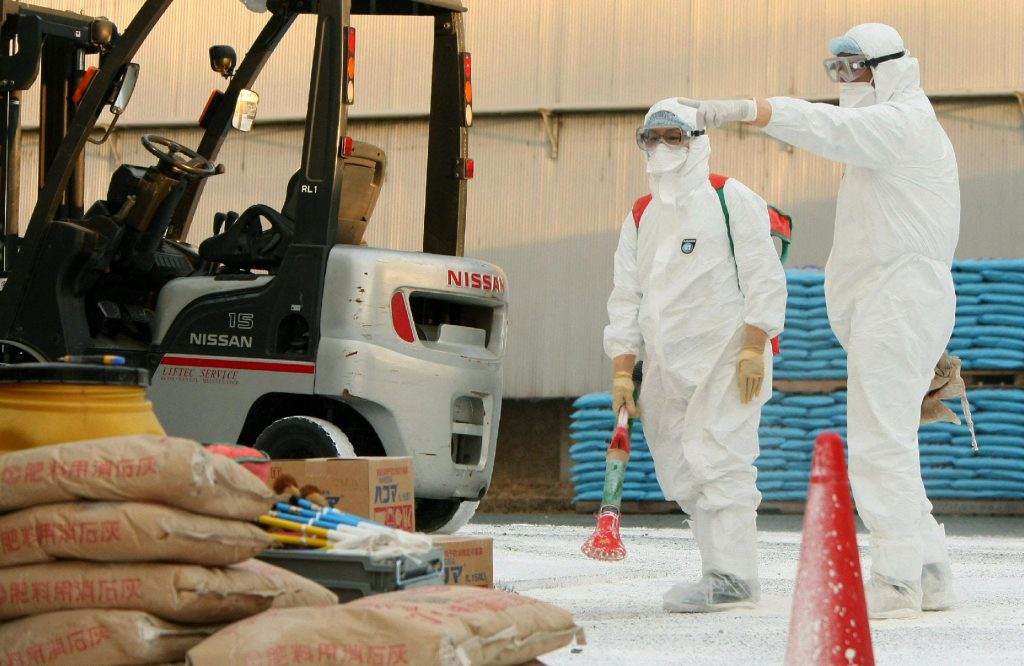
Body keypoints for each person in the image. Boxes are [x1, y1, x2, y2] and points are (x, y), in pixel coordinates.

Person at [677, 22, 960, 619]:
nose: (844, 81)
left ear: (887, 67)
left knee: (880, 444)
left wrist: (752, 110)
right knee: (892, 440)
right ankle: (929, 569)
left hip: (900, 300)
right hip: (889, 302)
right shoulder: (885, 135)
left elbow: (831, 127)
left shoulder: (901, 122)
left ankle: (897, 579)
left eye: (853, 68)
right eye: (835, 71)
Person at [604, 98, 787, 612]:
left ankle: (733, 576)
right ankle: (719, 571)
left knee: (721, 460)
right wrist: (623, 368)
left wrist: (755, 345)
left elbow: (763, 276)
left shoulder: (730, 198)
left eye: (674, 137)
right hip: (665, 368)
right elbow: (625, 297)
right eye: (652, 138)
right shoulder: (641, 215)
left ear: (697, 141)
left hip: (727, 359)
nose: (662, 148)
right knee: (682, 468)